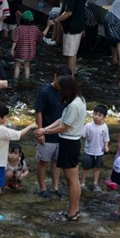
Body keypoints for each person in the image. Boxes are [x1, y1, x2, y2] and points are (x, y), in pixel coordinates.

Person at [35, 75, 86, 221]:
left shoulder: (74, 105)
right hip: (71, 142)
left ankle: (72, 211)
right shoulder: (78, 100)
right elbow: (61, 120)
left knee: (72, 180)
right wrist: (45, 129)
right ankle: (74, 210)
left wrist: (46, 131)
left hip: (69, 143)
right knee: (73, 179)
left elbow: (64, 126)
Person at [34, 67, 71, 198]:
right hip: (47, 131)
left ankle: (55, 187)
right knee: (43, 162)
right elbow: (38, 112)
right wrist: (40, 132)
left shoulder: (66, 92)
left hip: (61, 133)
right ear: (55, 77)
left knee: (56, 161)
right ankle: (42, 188)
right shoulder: (45, 92)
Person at [49, 0, 86, 74]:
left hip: (72, 27)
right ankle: (72, 74)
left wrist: (57, 20)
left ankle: (70, 77)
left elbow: (69, 12)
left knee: (70, 54)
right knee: (73, 53)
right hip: (78, 25)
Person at [11, 10, 47, 81]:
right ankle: (27, 81)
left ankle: (15, 81)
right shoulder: (35, 28)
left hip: (20, 52)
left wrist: (12, 49)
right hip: (30, 52)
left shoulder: (19, 28)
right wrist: (48, 26)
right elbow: (41, 36)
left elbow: (15, 40)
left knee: (17, 66)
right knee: (27, 66)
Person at [80, 105, 110, 190]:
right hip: (88, 151)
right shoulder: (88, 126)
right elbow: (83, 135)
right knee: (85, 167)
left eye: (99, 115)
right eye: (95, 114)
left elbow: (106, 138)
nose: (96, 117)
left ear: (104, 117)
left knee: (97, 168)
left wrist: (106, 146)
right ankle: (82, 182)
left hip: (99, 151)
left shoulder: (104, 127)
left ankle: (95, 183)